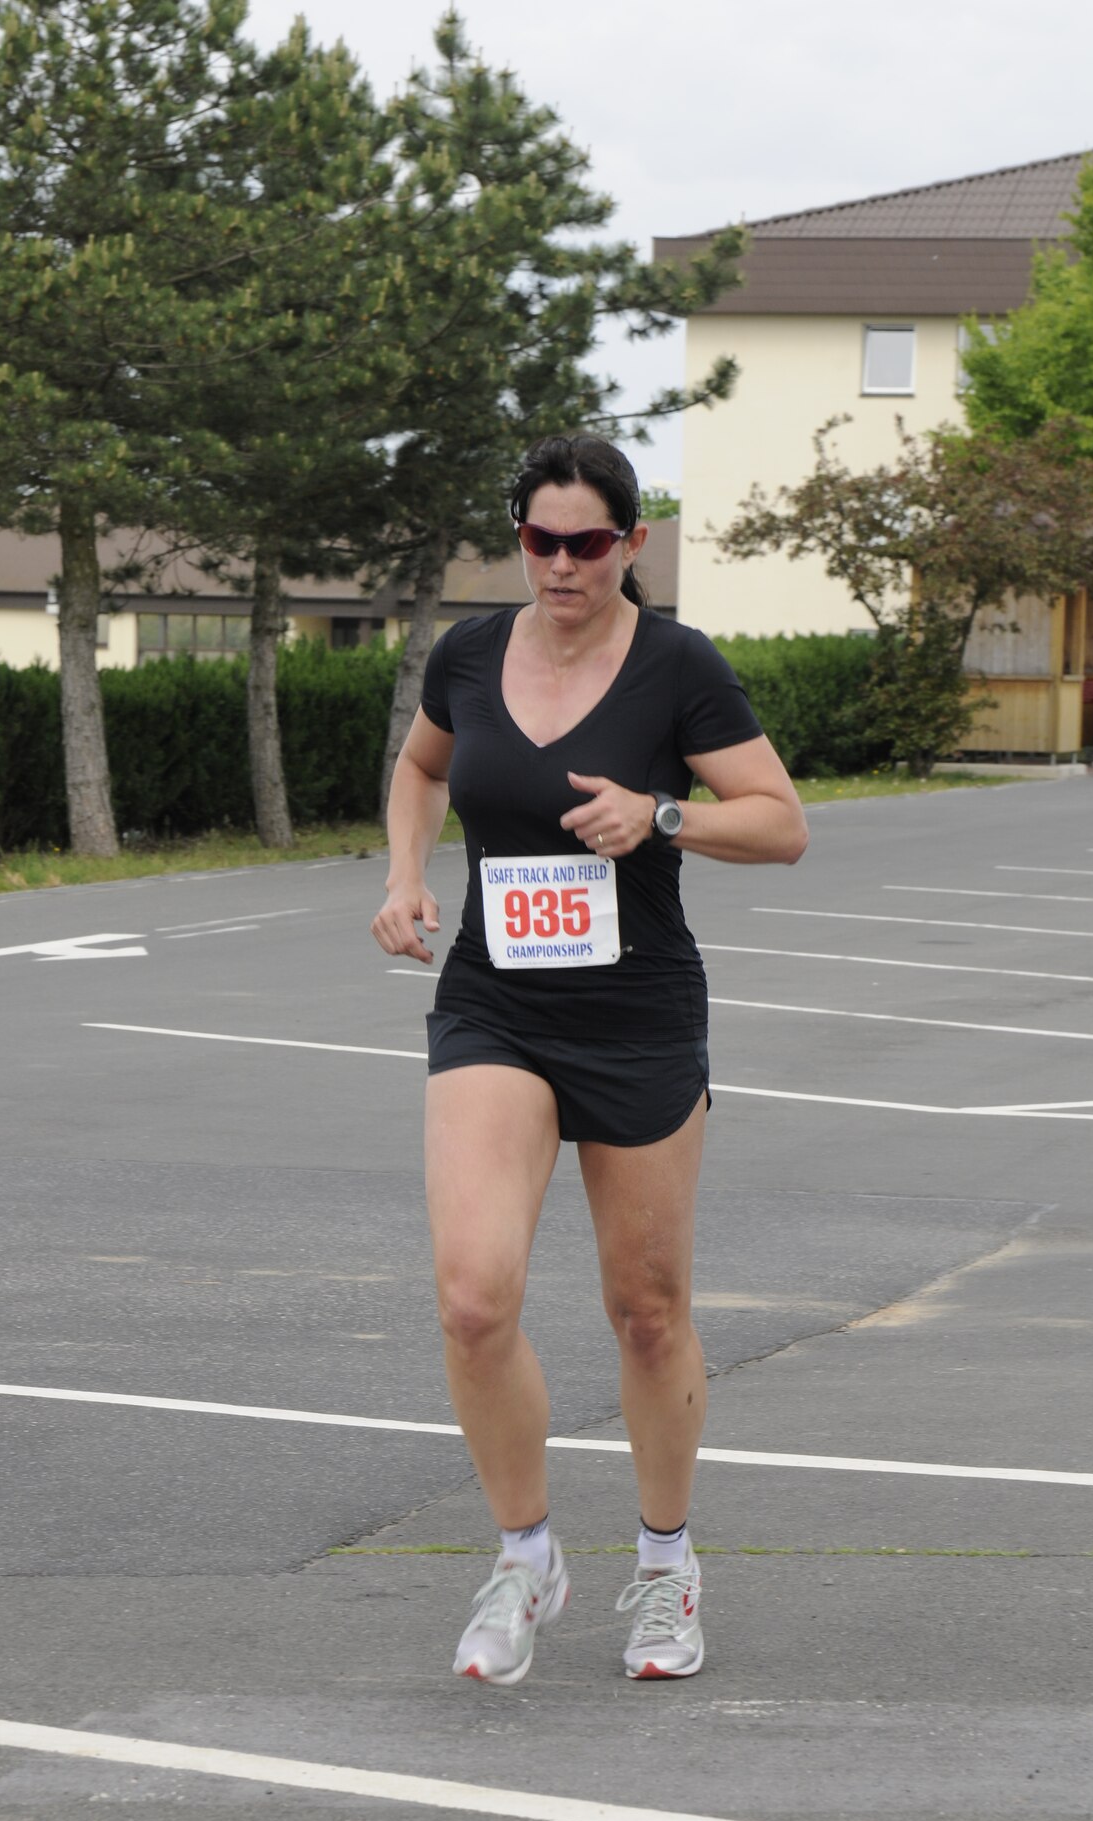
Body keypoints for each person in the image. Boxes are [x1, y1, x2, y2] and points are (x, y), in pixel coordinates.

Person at [370, 435, 807, 1687]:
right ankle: (524, 1554)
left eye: (586, 541)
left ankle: (665, 1562)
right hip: (494, 1004)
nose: (559, 563)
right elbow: (419, 767)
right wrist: (404, 870)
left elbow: (780, 824)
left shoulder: (676, 667)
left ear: (631, 545)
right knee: (471, 1294)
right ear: (517, 540)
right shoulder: (467, 653)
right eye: (537, 540)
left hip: (636, 1014)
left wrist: (659, 814)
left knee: (646, 1307)